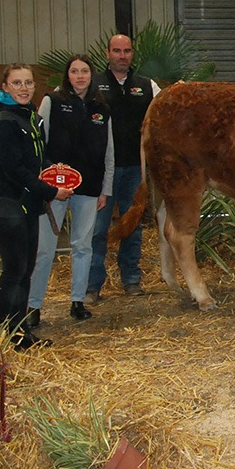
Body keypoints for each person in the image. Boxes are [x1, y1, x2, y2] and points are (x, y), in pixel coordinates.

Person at [0, 63, 72, 350]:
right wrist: (51, 190)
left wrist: (52, 170)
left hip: (27, 205)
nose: (24, 88)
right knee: (15, 270)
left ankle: (19, 331)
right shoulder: (2, 122)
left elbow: (36, 162)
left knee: (25, 270)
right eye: (17, 83)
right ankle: (5, 331)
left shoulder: (31, 118)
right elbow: (15, 170)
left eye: (28, 83)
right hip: (8, 205)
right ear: (4, 87)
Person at [27, 55, 114, 326]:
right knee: (45, 248)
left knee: (82, 246)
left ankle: (77, 301)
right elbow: (38, 145)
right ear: (68, 75)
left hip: (89, 188)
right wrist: (47, 183)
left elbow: (109, 152)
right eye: (75, 71)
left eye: (85, 71)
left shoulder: (102, 109)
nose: (80, 76)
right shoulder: (52, 102)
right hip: (54, 190)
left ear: (92, 75)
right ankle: (34, 306)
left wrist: (105, 189)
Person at [87, 34, 160, 303]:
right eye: (117, 51)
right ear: (107, 54)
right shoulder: (93, 84)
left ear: (132, 54)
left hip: (134, 169)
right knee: (97, 229)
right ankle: (93, 286)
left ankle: (131, 280)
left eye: (127, 51)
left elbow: (162, 116)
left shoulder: (147, 86)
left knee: (133, 226)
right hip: (101, 171)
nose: (122, 55)